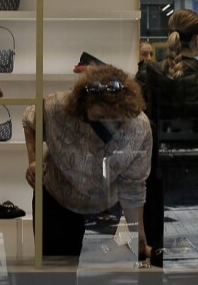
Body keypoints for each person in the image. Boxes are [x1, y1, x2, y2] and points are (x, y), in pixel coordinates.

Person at [22, 65, 152, 259]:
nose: (107, 124)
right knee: (56, 267)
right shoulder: (57, 107)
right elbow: (29, 119)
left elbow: (133, 188)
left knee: (96, 267)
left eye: (114, 117)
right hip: (56, 196)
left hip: (103, 205)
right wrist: (34, 161)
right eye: (100, 117)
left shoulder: (138, 128)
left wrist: (139, 238)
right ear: (84, 105)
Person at [137, 9, 198, 255]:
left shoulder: (147, 74)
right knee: (197, 255)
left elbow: (136, 127)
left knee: (155, 253)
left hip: (155, 175)